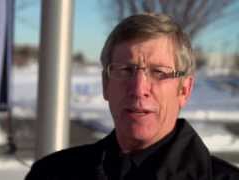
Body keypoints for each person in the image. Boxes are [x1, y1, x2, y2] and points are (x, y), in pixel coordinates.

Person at [25, 13, 239, 180]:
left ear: (184, 90)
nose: (138, 88)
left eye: (159, 72)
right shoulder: (51, 173)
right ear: (106, 84)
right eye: (126, 70)